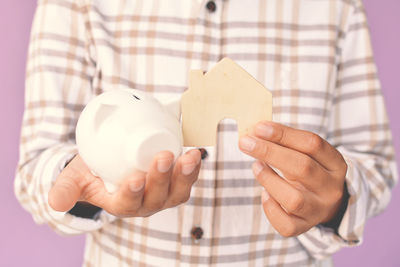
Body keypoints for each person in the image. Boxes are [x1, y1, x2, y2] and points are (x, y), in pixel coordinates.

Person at [15, 0, 397, 266]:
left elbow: (375, 168)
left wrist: (334, 202)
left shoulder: (338, 7)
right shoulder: (74, 3)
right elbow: (38, 165)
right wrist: (93, 184)